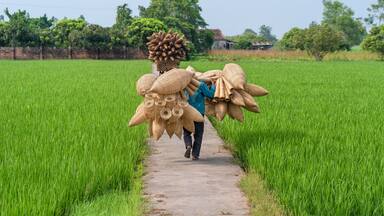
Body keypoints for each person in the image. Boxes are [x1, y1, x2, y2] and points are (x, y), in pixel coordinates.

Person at [184, 80, 215, 160]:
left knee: (186, 132)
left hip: (187, 112)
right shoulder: (201, 84)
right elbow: (211, 94)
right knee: (198, 134)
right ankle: (195, 155)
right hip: (199, 113)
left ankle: (188, 145)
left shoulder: (185, 84)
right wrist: (213, 85)